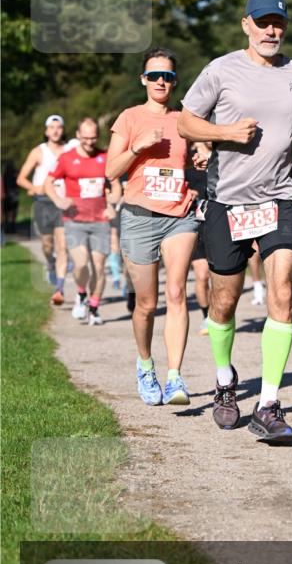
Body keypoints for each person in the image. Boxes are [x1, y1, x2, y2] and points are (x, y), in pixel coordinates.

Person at [178, 0, 292, 441]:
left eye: (278, 22)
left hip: (279, 196)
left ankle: (270, 404)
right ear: (246, 25)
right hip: (227, 199)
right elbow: (185, 121)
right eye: (263, 22)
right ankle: (224, 381)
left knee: (282, 290)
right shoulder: (221, 69)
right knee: (224, 301)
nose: (271, 30)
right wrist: (222, 132)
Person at [106, 49, 199, 406]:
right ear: (143, 79)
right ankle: (146, 365)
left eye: (168, 76)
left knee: (176, 293)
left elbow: (194, 163)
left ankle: (175, 377)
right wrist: (137, 149)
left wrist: (196, 175)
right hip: (140, 216)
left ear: (175, 81)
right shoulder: (129, 118)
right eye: (155, 75)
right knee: (146, 303)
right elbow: (111, 171)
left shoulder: (184, 120)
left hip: (179, 216)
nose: (162, 81)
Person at [44, 118, 120, 324]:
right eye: (85, 138)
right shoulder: (66, 158)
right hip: (74, 221)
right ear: (78, 135)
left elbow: (115, 185)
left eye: (93, 137)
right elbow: (48, 183)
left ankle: (94, 307)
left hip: (100, 221)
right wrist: (59, 200)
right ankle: (81, 293)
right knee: (80, 264)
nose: (89, 142)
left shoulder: (104, 157)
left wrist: (112, 204)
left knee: (99, 265)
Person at [16, 115, 70, 303]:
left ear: (63, 130)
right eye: (52, 127)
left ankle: (59, 289)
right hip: (43, 202)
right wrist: (34, 188)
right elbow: (21, 178)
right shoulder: (39, 151)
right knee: (48, 245)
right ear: (46, 131)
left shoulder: (70, 149)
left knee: (63, 246)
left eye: (59, 127)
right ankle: (50, 264)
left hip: (63, 202)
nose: (55, 131)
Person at [185, 140, 213, 335]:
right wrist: (186, 193)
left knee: (221, 276)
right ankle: (206, 317)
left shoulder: (225, 156)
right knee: (202, 275)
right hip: (195, 223)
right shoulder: (187, 158)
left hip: (220, 223)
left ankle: (220, 315)